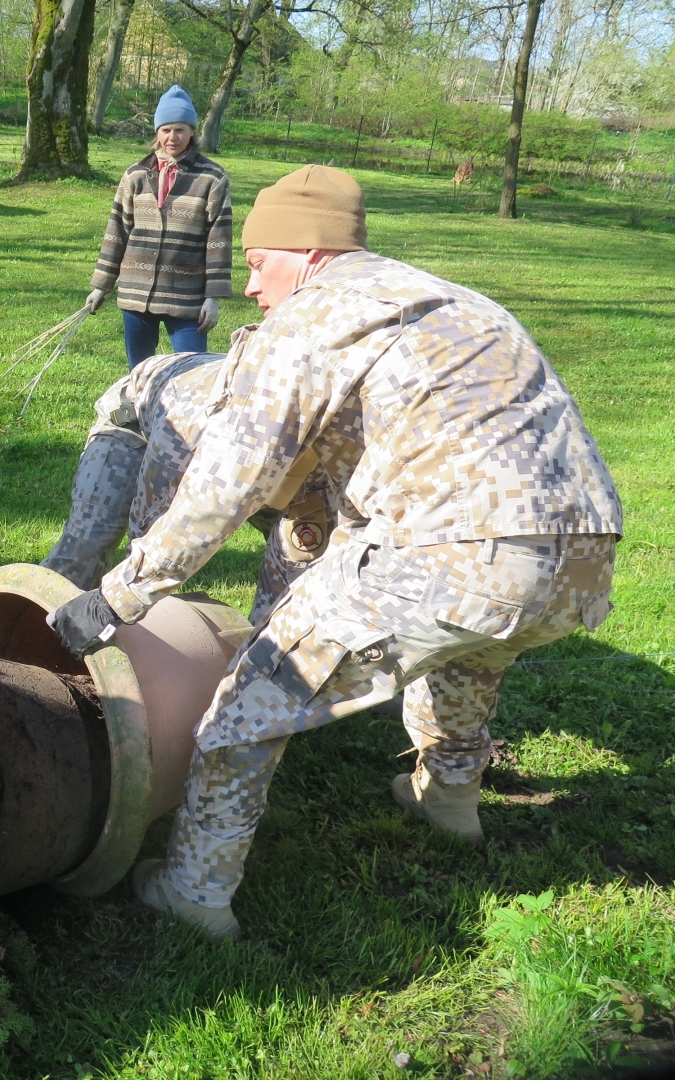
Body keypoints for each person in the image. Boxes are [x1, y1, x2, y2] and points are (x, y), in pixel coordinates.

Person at [47, 165, 622, 940]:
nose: (248, 285)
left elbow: (228, 483)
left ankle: (194, 894)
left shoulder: (314, 318)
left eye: (256, 262)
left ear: (308, 254)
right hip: (580, 549)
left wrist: (120, 595)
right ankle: (449, 797)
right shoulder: (447, 300)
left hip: (455, 548)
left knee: (251, 699)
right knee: (472, 648)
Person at [41, 350, 335, 626]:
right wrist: (118, 606)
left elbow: (301, 571)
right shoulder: (187, 434)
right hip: (142, 420)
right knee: (89, 543)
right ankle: (39, 627)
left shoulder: (336, 447)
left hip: (276, 463)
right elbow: (152, 538)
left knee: (301, 582)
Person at [85, 85, 233, 369]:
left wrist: (213, 297)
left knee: (193, 371)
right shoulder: (135, 175)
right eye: (165, 130)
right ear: (157, 132)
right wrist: (101, 286)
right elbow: (117, 231)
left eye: (179, 130)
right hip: (136, 295)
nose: (172, 138)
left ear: (192, 132)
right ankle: (140, 413)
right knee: (139, 374)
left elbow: (219, 241)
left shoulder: (212, 178)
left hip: (187, 297)